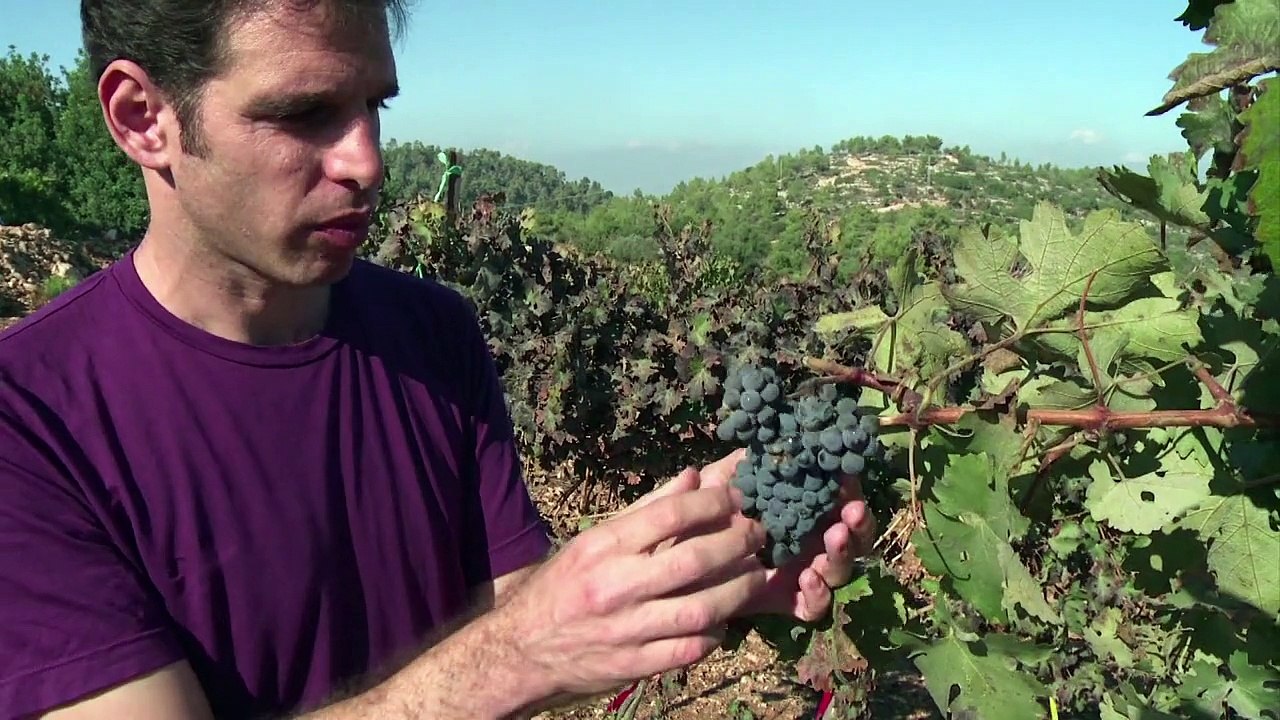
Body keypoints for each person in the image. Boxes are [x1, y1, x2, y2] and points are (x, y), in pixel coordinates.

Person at [0, 1, 876, 718]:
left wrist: (671, 577)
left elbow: (508, 612)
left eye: (375, 106)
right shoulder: (27, 424)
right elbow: (508, 648)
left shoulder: (434, 332)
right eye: (304, 113)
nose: (367, 163)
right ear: (142, 119)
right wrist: (522, 652)